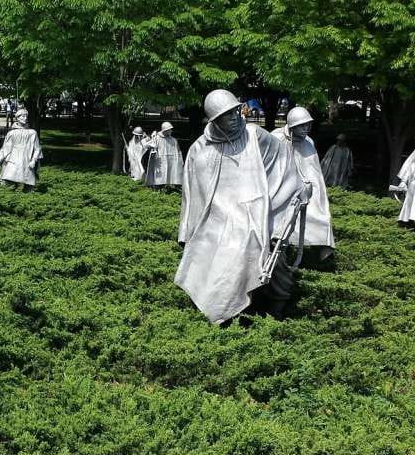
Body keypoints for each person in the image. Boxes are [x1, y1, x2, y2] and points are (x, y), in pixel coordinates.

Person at [175, 90, 310, 323]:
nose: (236, 117)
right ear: (214, 120)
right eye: (227, 115)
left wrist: (298, 188)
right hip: (218, 218)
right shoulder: (200, 149)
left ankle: (276, 309)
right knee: (217, 250)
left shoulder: (255, 136)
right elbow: (193, 196)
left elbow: (283, 165)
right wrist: (189, 232)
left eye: (236, 111)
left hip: (258, 212)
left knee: (266, 250)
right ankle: (221, 310)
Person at [270, 107, 335, 257]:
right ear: (293, 126)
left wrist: (313, 193)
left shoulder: (309, 143)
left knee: (320, 215)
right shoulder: (276, 138)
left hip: (305, 192)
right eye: (302, 125)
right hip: (281, 191)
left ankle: (315, 250)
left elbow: (315, 175)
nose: (306, 128)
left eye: (308, 125)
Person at [0, 108, 43, 189]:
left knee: (28, 187)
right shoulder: (11, 133)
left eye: (26, 116)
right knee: (6, 184)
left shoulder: (32, 133)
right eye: (22, 116)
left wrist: (33, 160)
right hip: (12, 163)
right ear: (17, 118)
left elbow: (37, 148)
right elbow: (4, 149)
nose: (25, 118)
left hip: (27, 163)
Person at [143, 122, 183, 190]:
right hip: (160, 161)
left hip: (171, 160)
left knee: (171, 174)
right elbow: (145, 145)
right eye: (169, 129)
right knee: (160, 177)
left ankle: (170, 188)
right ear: (165, 130)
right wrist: (151, 145)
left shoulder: (173, 140)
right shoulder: (157, 138)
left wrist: (180, 160)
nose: (171, 131)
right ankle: (158, 189)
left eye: (171, 129)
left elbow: (178, 151)